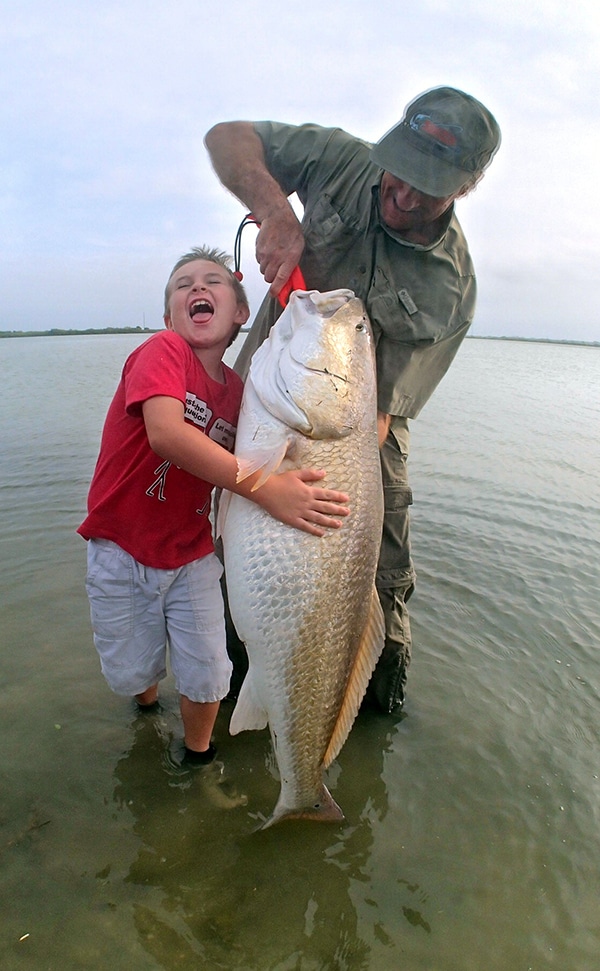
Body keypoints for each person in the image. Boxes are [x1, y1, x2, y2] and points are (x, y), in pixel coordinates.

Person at [204, 86, 501, 714]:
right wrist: (275, 209)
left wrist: (298, 490)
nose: (406, 194)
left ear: (465, 189)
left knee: (378, 579)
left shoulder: (451, 286)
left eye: (430, 186)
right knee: (224, 557)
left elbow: (377, 417)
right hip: (267, 400)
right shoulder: (340, 159)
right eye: (403, 171)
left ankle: (369, 722)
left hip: (357, 427)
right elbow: (228, 137)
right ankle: (233, 703)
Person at [78, 246, 350, 764]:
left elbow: (282, 440)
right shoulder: (163, 351)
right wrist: (266, 488)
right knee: (135, 666)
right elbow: (166, 434)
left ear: (241, 314)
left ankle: (198, 757)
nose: (197, 289)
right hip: (121, 547)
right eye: (183, 285)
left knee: (209, 668)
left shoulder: (243, 393)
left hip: (192, 553)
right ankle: (146, 700)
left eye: (213, 282)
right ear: (168, 317)